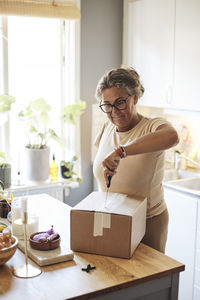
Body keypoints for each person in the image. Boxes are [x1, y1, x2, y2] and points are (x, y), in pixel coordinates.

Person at [93, 67, 179, 253]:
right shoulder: (106, 128)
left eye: (120, 102)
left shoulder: (152, 126)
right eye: (107, 104)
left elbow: (172, 136)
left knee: (147, 279)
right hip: (112, 220)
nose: (113, 111)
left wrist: (122, 151)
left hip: (148, 222)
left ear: (135, 98)